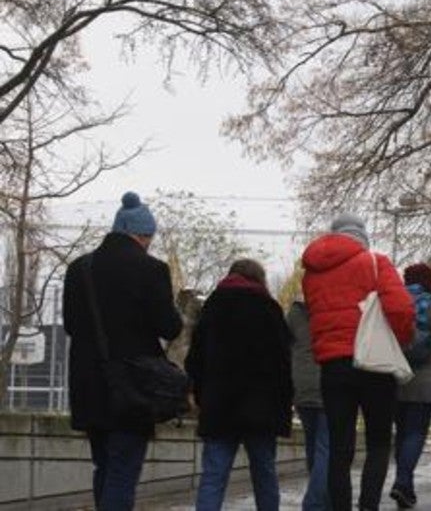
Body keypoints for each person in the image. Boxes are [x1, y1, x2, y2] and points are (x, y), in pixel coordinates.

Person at [63, 192, 181, 510]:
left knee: (105, 467)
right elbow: (169, 327)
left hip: (89, 384)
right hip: (132, 387)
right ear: (143, 235)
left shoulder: (79, 269)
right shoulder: (152, 269)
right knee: (123, 472)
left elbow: (71, 325)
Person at [302, 213, 414, 511]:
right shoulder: (375, 262)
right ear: (362, 237)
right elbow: (401, 308)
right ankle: (368, 507)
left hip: (333, 365)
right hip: (374, 362)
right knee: (378, 442)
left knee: (340, 447)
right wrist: (400, 340)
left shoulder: (312, 273)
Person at [186, 259, 293, 511]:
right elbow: (283, 363)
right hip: (262, 407)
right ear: (259, 279)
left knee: (214, 474)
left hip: (219, 404)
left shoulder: (213, 307)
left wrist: (200, 394)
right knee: (264, 472)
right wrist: (284, 402)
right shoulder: (269, 308)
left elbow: (195, 359)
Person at [389, 263, 431, 508]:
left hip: (395, 378)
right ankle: (402, 482)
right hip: (424, 381)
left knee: (402, 434)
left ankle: (406, 487)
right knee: (415, 434)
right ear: (429, 280)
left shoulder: (394, 303)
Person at [287, 291, 330, 510]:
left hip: (301, 385)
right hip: (329, 382)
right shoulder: (335, 309)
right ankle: (314, 504)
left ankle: (325, 502)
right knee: (327, 448)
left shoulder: (295, 313)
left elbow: (286, 347)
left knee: (313, 447)